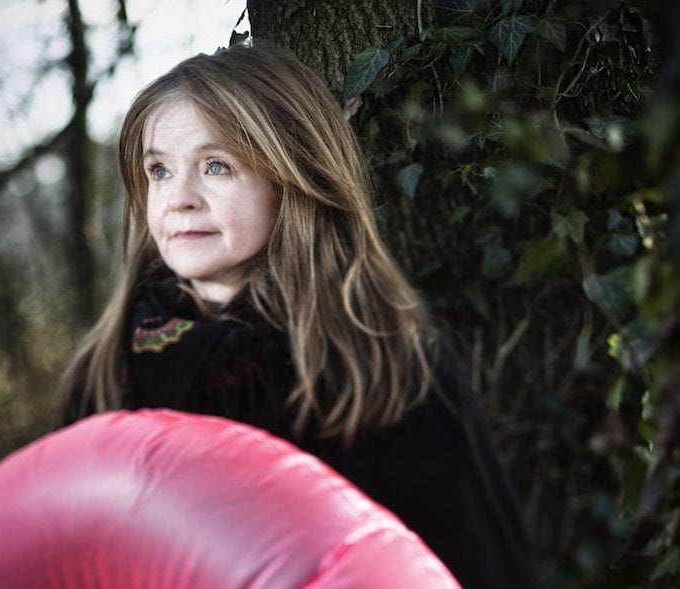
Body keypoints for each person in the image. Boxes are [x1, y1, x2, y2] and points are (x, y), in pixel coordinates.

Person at [57, 42, 539, 588]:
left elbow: (484, 569)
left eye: (216, 166)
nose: (179, 198)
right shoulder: (108, 371)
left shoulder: (388, 367)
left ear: (291, 175)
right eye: (160, 170)